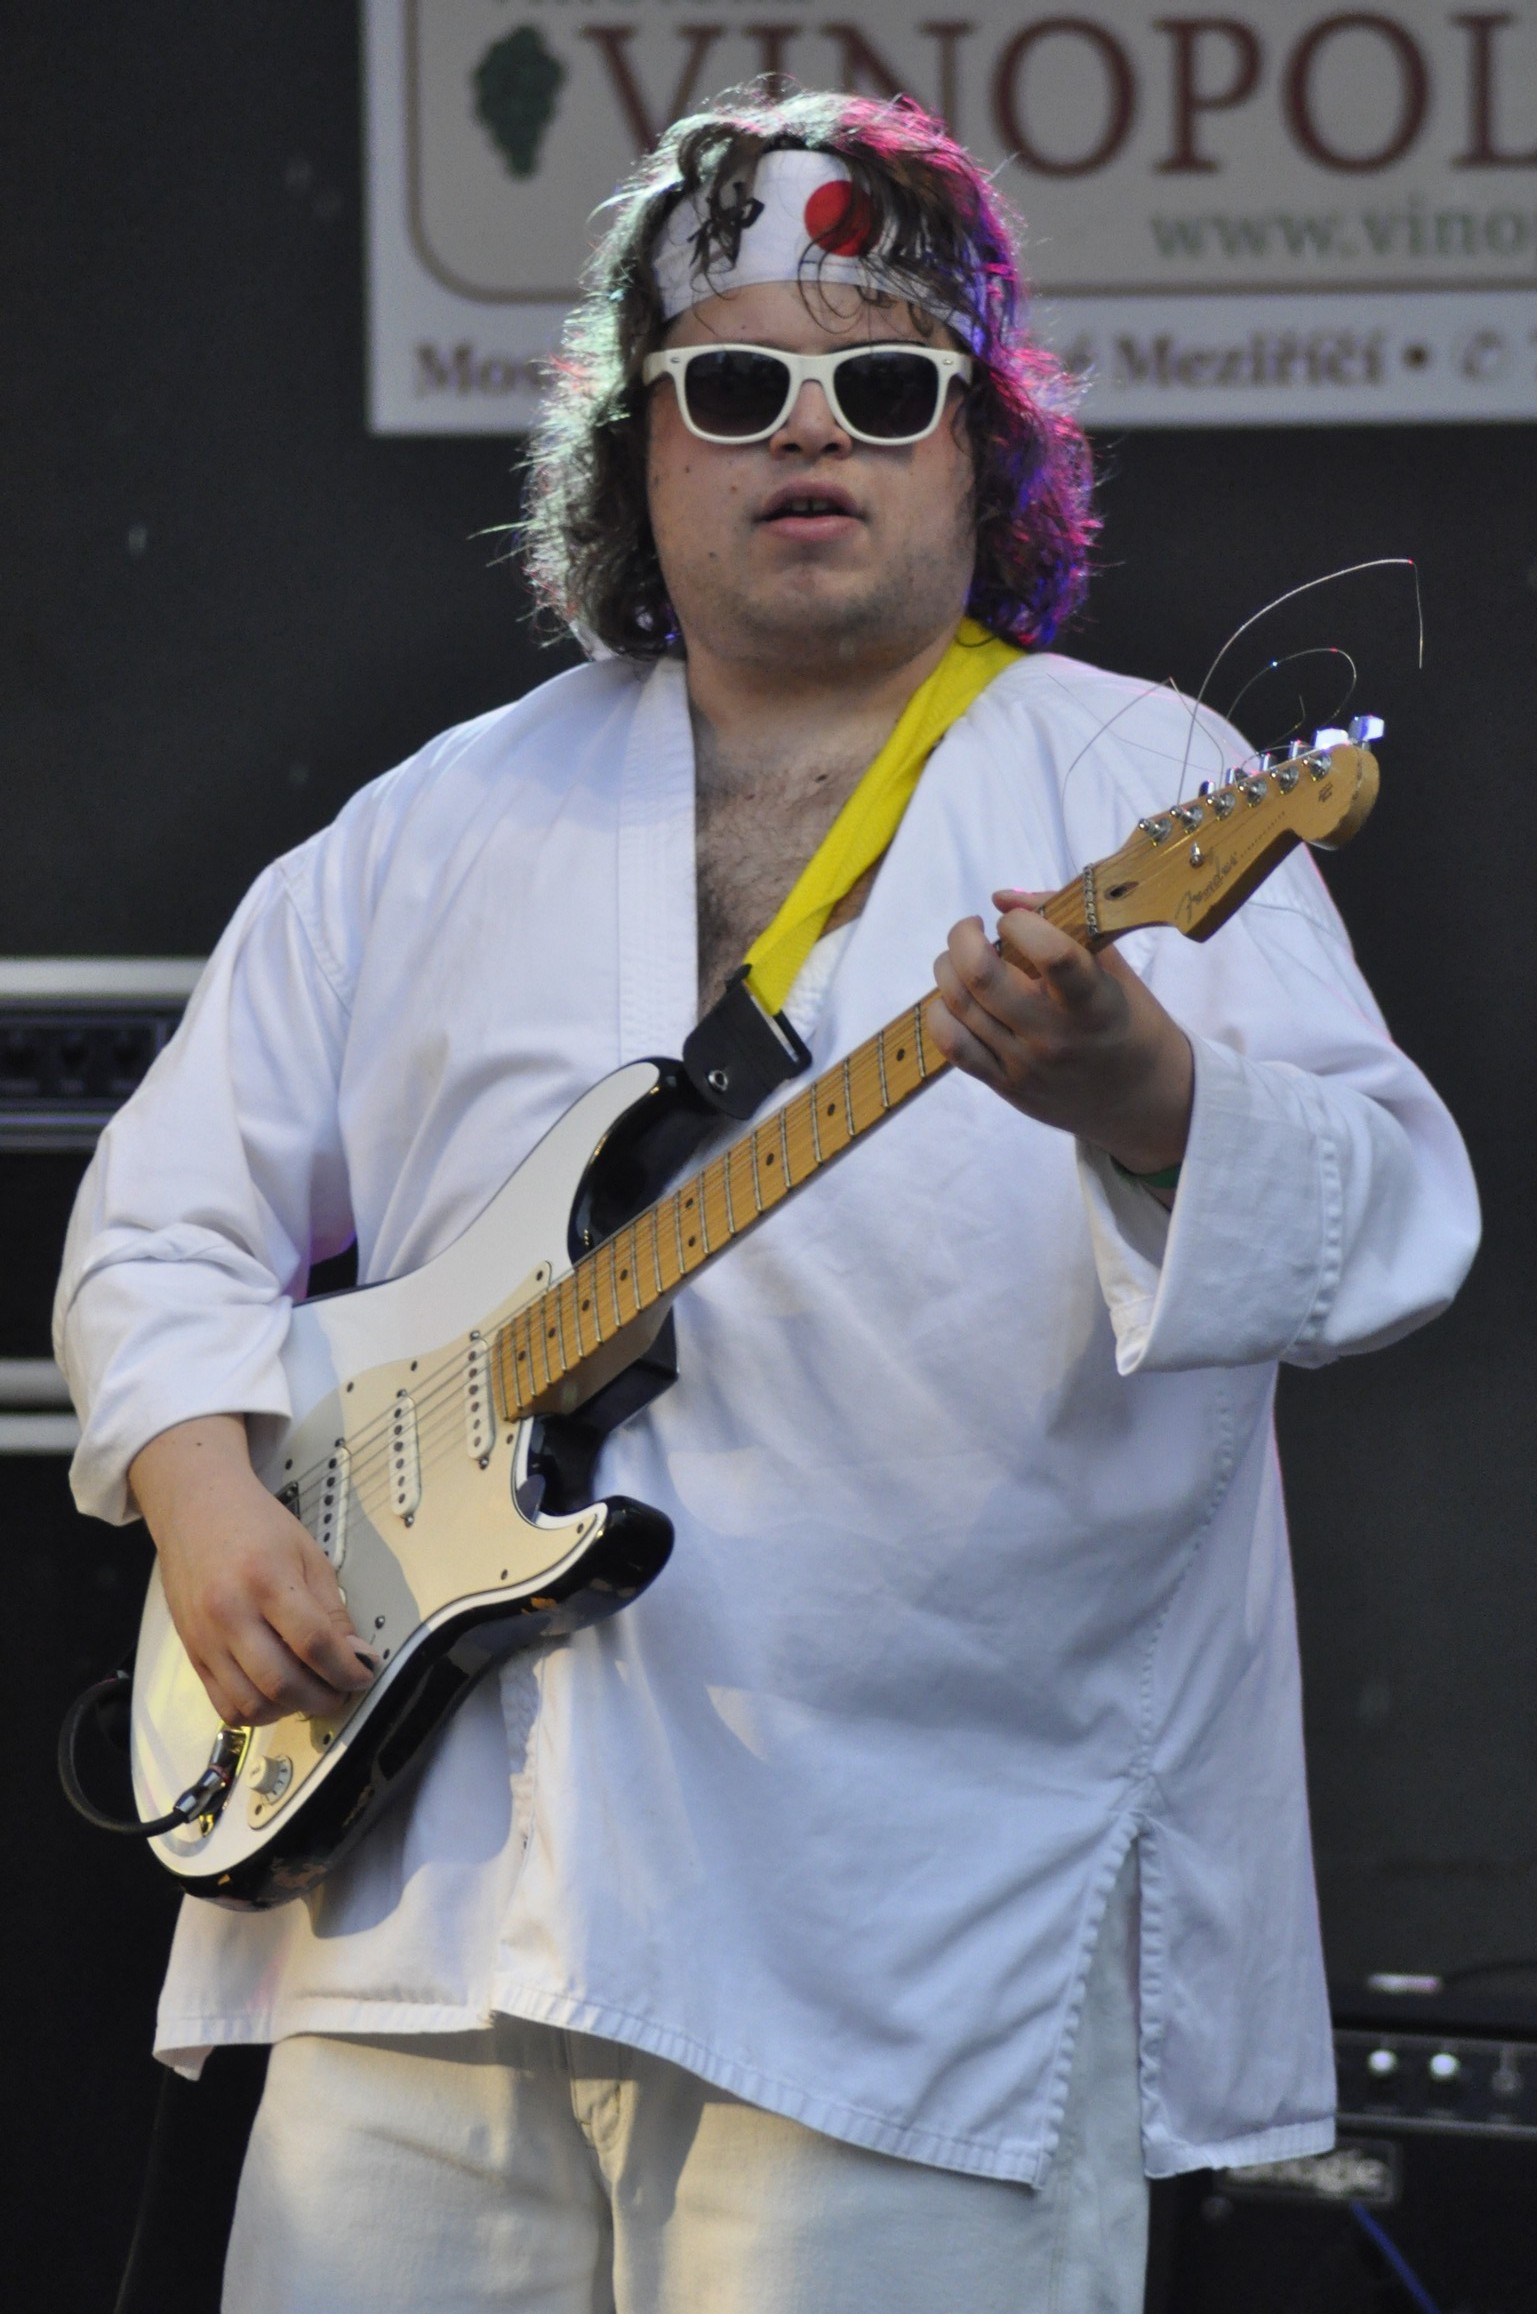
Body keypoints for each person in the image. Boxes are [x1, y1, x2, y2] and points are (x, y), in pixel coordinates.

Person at [56, 85, 1478, 2314]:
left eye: (883, 389)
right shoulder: (432, 823)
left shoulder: (1136, 778)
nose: (807, 429)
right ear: (637, 449)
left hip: (917, 1934)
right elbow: (159, 1220)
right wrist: (201, 1486)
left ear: (977, 450)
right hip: (423, 1896)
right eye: (732, 387)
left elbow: (1392, 1208)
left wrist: (1142, 1090)